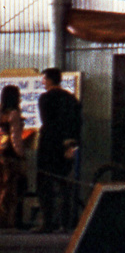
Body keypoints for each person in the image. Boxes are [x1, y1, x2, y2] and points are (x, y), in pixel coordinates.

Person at [36, 68, 80, 233]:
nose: (43, 82)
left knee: (45, 184)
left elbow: (47, 121)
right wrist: (70, 145)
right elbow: (76, 124)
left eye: (44, 79)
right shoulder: (71, 99)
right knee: (64, 185)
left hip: (49, 145)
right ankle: (65, 223)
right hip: (66, 146)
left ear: (49, 80)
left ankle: (48, 222)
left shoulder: (45, 99)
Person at [0, 84, 26, 228]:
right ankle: (9, 221)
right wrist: (21, 155)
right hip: (10, 157)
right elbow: (15, 137)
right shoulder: (13, 114)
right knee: (11, 191)